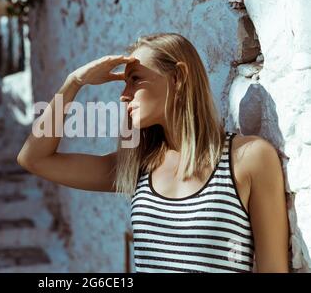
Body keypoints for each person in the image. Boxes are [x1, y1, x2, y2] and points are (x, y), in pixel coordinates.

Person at [17, 33, 289, 273]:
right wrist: (73, 82)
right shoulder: (139, 167)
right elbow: (34, 158)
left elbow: (274, 269)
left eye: (134, 80)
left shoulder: (248, 158)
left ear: (178, 77)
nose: (124, 95)